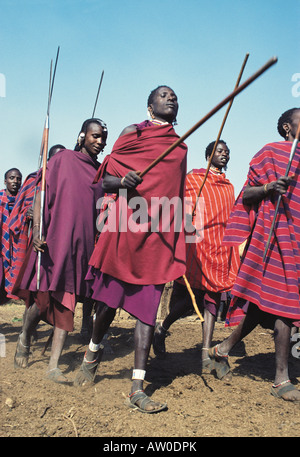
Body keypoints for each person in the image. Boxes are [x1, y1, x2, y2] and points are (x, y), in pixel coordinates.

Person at [74, 86, 188, 414]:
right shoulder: (132, 134)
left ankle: (137, 388)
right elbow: (106, 182)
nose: (171, 98)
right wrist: (124, 182)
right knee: (108, 305)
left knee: (146, 312)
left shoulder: (180, 148)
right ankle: (92, 351)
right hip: (125, 230)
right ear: (150, 105)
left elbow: (175, 196)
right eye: (164, 95)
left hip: (155, 238)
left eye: (175, 96)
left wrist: (174, 235)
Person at [209, 107, 300, 401]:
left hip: (297, 241)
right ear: (287, 127)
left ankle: (221, 350)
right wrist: (268, 187)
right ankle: (281, 380)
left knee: (265, 308)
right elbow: (246, 195)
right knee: (287, 303)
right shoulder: (270, 152)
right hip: (273, 238)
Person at [13, 120, 107, 383]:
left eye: (103, 138)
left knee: (67, 302)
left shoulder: (101, 172)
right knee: (41, 300)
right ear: (82, 136)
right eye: (95, 136)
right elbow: (41, 194)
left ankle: (53, 366)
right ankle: (24, 336)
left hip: (82, 247)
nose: (100, 141)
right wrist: (39, 232)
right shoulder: (63, 159)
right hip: (54, 241)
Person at [153, 140, 240, 379]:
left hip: (220, 248)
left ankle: (205, 353)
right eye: (219, 151)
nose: (224, 154)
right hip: (199, 246)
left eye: (227, 152)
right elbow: (177, 201)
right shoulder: (194, 179)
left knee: (213, 297)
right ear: (208, 155)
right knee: (194, 300)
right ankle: (162, 328)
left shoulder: (229, 186)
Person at [7, 145, 65, 299]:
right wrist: (28, 213)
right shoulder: (34, 180)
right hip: (32, 234)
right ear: (48, 160)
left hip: (57, 234)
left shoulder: (67, 181)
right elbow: (20, 208)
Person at [0, 168, 22, 303]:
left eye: (18, 179)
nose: (15, 181)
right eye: (12, 178)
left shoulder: (24, 202)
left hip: (17, 249)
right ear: (5, 181)